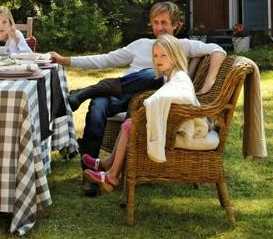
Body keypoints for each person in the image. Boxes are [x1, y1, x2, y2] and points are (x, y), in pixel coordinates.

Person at [50, 1, 226, 196]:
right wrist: (64, 60)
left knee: (153, 73)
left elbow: (217, 50)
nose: (160, 28)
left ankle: (83, 92)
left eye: (165, 23)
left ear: (175, 25)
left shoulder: (181, 46)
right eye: (156, 22)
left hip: (144, 99)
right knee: (98, 105)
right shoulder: (141, 45)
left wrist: (209, 81)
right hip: (119, 95)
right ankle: (89, 176)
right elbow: (105, 59)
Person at [82, 34, 208, 192]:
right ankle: (108, 164)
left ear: (175, 55)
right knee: (129, 124)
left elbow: (184, 97)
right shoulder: (170, 75)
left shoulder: (180, 77)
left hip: (180, 127)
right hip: (174, 121)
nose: (158, 59)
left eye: (163, 55)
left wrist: (158, 99)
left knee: (130, 126)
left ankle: (112, 176)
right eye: (155, 55)